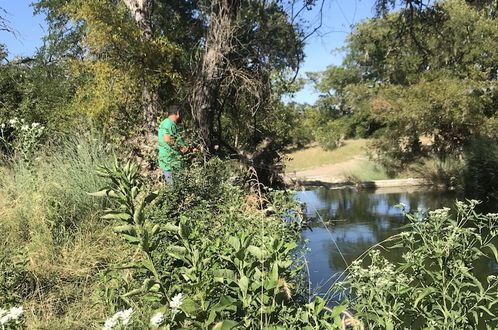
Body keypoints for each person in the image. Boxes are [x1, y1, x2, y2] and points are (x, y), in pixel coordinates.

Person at [158, 105, 191, 183]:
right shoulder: (168, 123)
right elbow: (167, 139)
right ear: (178, 113)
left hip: (174, 163)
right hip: (171, 164)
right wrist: (181, 148)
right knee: (173, 190)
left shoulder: (169, 124)